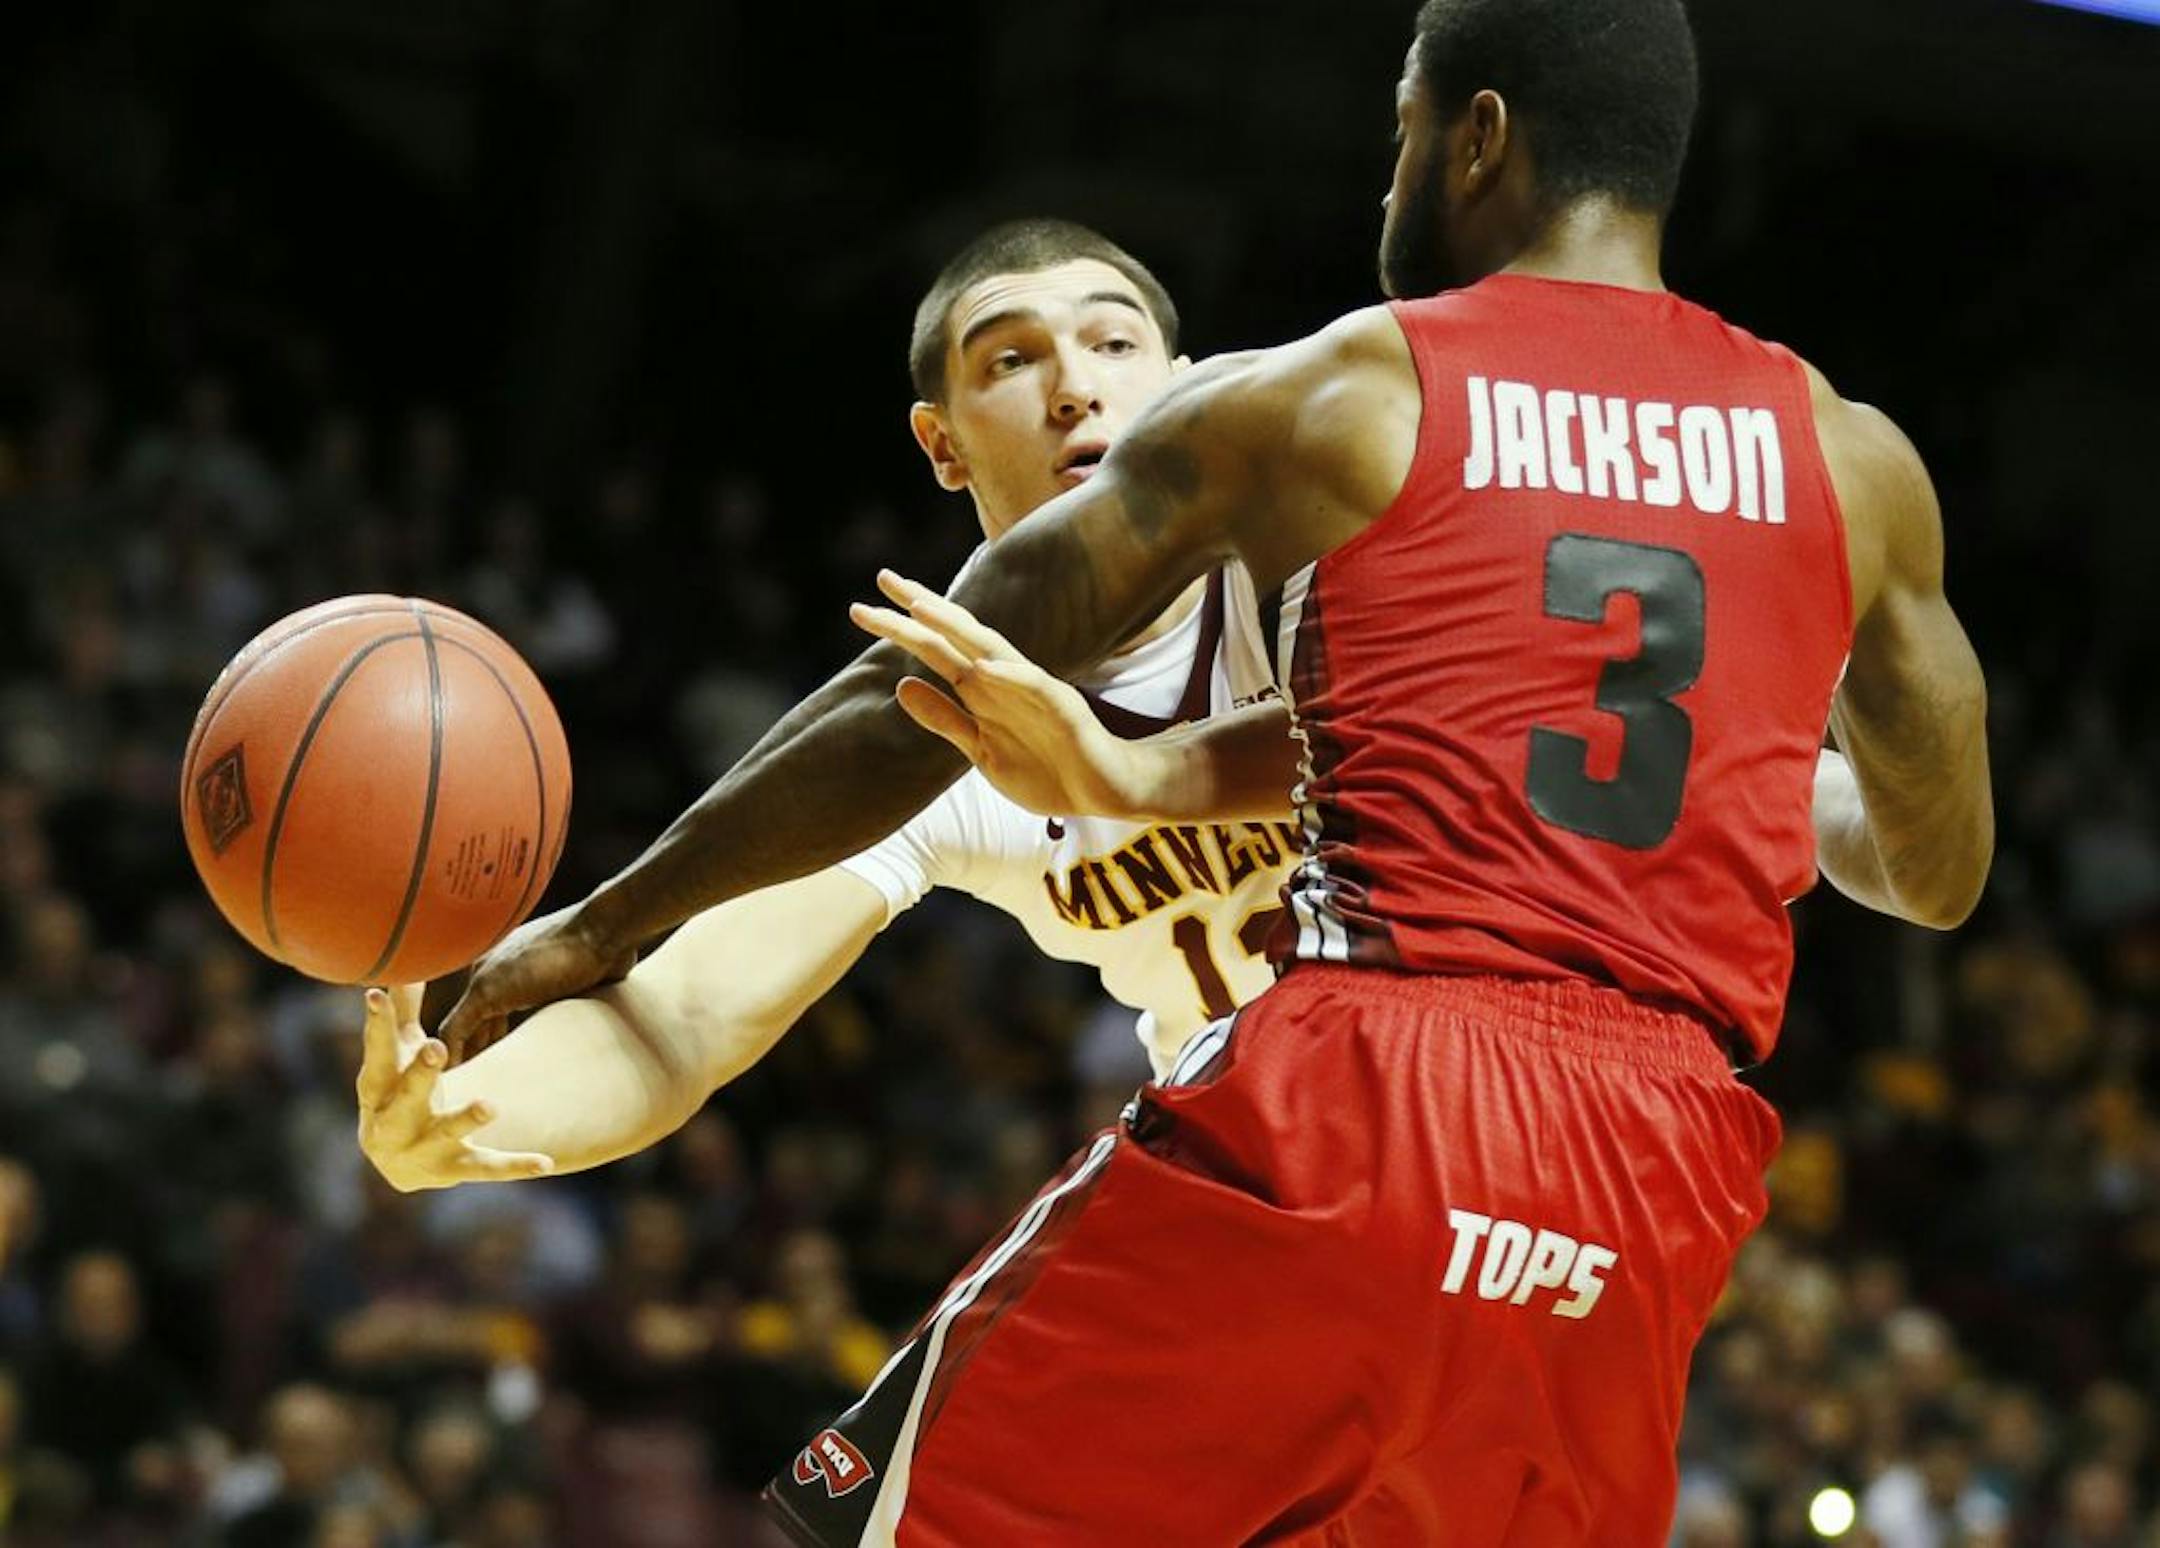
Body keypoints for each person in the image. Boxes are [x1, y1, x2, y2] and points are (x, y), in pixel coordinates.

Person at [439, 0, 1994, 1539]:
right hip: (1657, 1180)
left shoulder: (1345, 391)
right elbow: (1936, 868)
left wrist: (594, 926)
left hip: (1386, 1089)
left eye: (1401, 127)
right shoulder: (1851, 458)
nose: (1391, 176)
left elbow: (900, 696)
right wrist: (1762, 767)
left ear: (1479, 136)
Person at [357, 218, 1292, 1192]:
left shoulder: (1310, 562)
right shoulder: (922, 726)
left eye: (1113, 344)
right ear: (944, 444)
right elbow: (690, 1016)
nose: (1075, 389)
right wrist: (457, 1124)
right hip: (1243, 1153)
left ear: (1187, 386)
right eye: (1013, 359)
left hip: (1435, 1081)